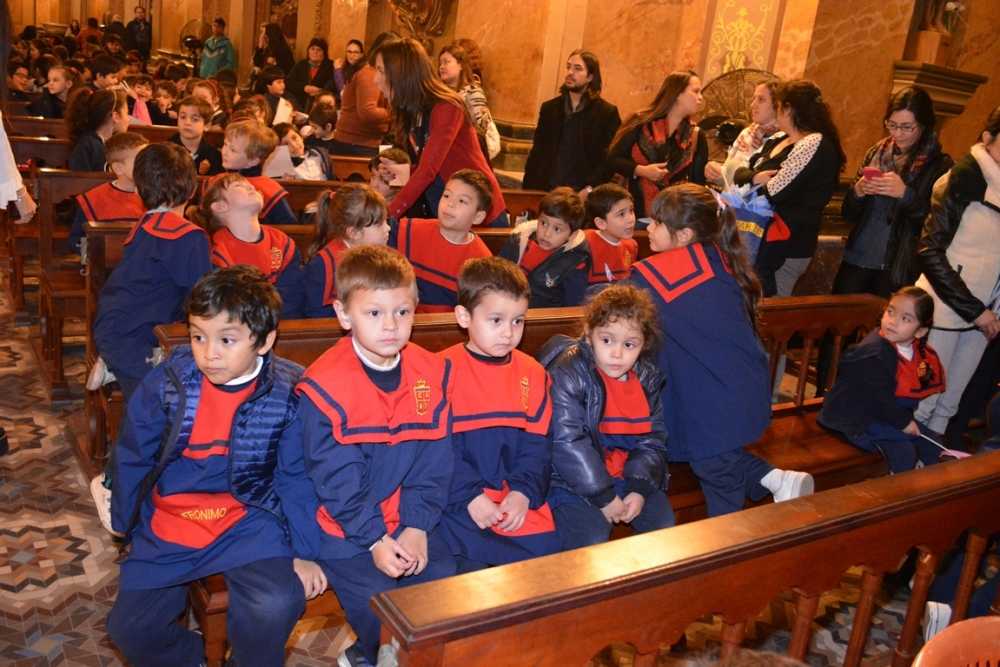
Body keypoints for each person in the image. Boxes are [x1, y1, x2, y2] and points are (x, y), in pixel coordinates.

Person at [106, 266, 324, 667]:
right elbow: (132, 454)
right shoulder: (169, 384)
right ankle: (195, 658)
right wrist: (125, 523)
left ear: (264, 340)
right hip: (172, 518)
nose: (209, 353)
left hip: (249, 520)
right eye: (198, 336)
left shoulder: (289, 392)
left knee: (277, 603)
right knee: (130, 629)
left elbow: (296, 477)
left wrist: (304, 551)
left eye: (227, 339)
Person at [293, 245, 457, 666]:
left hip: (408, 515)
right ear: (343, 314)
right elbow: (337, 481)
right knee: (377, 605)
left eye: (402, 312)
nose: (390, 326)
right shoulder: (325, 386)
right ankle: (369, 655)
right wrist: (374, 540)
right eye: (374, 313)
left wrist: (417, 525)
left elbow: (434, 461)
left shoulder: (430, 372)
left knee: (440, 589)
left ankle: (390, 658)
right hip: (345, 528)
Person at [630, 184, 813, 516]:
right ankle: (775, 479)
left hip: (712, 401)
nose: (649, 227)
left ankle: (732, 540)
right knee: (717, 459)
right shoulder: (718, 255)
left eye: (657, 222)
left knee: (717, 475)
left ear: (684, 235)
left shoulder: (663, 272)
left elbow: (615, 304)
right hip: (736, 389)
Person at [436, 257, 561, 571]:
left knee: (547, 564)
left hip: (513, 497)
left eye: (518, 321)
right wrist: (470, 497)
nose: (508, 333)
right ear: (464, 316)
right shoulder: (438, 372)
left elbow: (538, 447)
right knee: (465, 574)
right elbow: (436, 451)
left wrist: (522, 492)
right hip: (458, 498)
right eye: (496, 320)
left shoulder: (533, 373)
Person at [540, 284, 674, 549]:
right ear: (589, 334)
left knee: (663, 523)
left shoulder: (645, 378)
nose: (617, 353)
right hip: (569, 479)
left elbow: (652, 439)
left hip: (624, 474)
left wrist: (639, 487)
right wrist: (604, 496)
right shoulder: (569, 372)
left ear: (643, 344)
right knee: (591, 534)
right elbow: (567, 443)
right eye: (607, 340)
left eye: (629, 344)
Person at [92, 143, 212, 402]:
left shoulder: (145, 224)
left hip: (112, 325)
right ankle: (118, 365)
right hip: (139, 340)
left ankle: (112, 363)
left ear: (138, 190)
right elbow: (201, 297)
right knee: (157, 411)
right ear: (193, 190)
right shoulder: (189, 236)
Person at [914, 106, 1000, 437]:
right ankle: (906, 462)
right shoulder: (962, 177)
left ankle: (929, 459)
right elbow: (929, 251)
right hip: (947, 305)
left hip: (986, 312)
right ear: (988, 137)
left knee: (950, 401)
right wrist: (975, 311)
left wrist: (990, 310)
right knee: (925, 397)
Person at [374, 38, 507, 226]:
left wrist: (387, 215)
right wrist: (399, 173)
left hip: (477, 211)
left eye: (381, 71)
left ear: (401, 74)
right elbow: (429, 166)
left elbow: (429, 170)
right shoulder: (415, 109)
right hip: (450, 206)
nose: (375, 80)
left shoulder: (446, 106)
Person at [837, 87, 952, 297]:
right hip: (857, 258)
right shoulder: (875, 153)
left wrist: (905, 195)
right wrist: (858, 192)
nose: (897, 133)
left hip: (897, 266)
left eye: (907, 127)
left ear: (924, 125)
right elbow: (848, 214)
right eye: (892, 125)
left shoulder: (939, 165)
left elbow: (936, 224)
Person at [819, 287, 945, 473]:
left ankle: (926, 483)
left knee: (933, 445)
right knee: (904, 452)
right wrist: (903, 423)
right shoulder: (874, 353)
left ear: (920, 332)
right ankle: (897, 486)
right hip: (856, 418)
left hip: (886, 414)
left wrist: (904, 421)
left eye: (906, 319)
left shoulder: (917, 350)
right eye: (890, 312)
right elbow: (880, 398)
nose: (893, 321)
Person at [741, 79, 845, 296]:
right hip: (771, 240)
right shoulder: (786, 139)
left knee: (770, 307)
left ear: (788, 109)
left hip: (788, 244)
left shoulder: (812, 142)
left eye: (777, 106)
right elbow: (743, 173)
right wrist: (755, 178)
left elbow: (775, 191)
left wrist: (755, 180)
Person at [201, 173, 305, 318]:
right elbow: (224, 305)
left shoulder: (282, 243)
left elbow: (292, 302)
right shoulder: (216, 251)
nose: (251, 187)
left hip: (282, 323)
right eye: (238, 185)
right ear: (220, 206)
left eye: (250, 185)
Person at [608, 70, 708, 219]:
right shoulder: (640, 123)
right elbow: (612, 159)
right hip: (633, 211)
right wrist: (642, 170)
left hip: (674, 217)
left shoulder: (696, 135)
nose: (700, 97)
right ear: (677, 93)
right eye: (696, 91)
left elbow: (698, 184)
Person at [389, 169, 493, 313]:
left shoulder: (482, 264)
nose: (450, 204)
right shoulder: (408, 230)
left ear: (478, 217)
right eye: (447, 195)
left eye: (462, 201)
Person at [523, 49, 621, 192]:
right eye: (568, 67)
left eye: (577, 69)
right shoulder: (550, 108)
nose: (570, 72)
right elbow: (537, 154)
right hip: (547, 190)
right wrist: (527, 191)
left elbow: (608, 160)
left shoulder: (606, 113)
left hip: (583, 193)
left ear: (590, 77)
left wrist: (589, 189)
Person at [303, 185, 390, 318]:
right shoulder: (323, 266)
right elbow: (318, 318)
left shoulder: (381, 255)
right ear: (353, 233)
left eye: (386, 221)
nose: (388, 228)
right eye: (380, 224)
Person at [499, 186, 590, 307]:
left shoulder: (576, 261)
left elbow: (572, 305)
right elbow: (497, 276)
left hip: (543, 315)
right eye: (543, 223)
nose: (547, 234)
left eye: (557, 229)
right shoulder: (518, 241)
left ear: (572, 235)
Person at [70, 132, 148, 253]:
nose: (148, 165)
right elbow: (76, 240)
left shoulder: (157, 194)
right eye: (140, 161)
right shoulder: (93, 200)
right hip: (105, 262)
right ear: (118, 168)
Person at [705, 80, 783, 188]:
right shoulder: (747, 134)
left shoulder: (783, 142)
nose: (752, 105)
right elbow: (729, 178)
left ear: (777, 105)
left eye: (761, 99)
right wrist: (714, 171)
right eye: (754, 98)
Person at [218, 120, 297, 226]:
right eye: (225, 144)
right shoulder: (216, 180)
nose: (224, 152)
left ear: (253, 161)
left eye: (232, 150)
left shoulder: (268, 190)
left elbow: (289, 227)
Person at [331, 31, 396, 157]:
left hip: (359, 142)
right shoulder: (369, 73)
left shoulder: (369, 70)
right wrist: (394, 113)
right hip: (358, 144)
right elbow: (368, 112)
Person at [438, 43, 501, 160]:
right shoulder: (442, 93)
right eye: (440, 63)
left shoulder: (472, 92)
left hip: (469, 154)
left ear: (461, 65)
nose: (441, 67)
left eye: (446, 62)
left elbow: (483, 129)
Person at [583, 183, 638, 288]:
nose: (631, 219)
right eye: (621, 214)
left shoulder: (631, 246)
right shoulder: (584, 244)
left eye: (631, 211)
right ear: (601, 223)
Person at [65, 87, 130, 171]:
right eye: (127, 113)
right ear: (116, 116)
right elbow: (81, 178)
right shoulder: (87, 145)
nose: (128, 119)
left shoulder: (102, 143)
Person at [169, 95, 223, 176]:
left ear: (207, 125)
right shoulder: (165, 150)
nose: (187, 123)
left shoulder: (215, 156)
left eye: (195, 119)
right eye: (183, 117)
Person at [287, 37, 335, 111]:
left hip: (320, 107)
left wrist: (320, 91)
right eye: (312, 49)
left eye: (319, 50)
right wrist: (304, 87)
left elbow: (332, 86)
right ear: (308, 50)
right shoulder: (301, 64)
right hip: (299, 106)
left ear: (324, 53)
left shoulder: (330, 66)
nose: (315, 52)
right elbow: (288, 82)